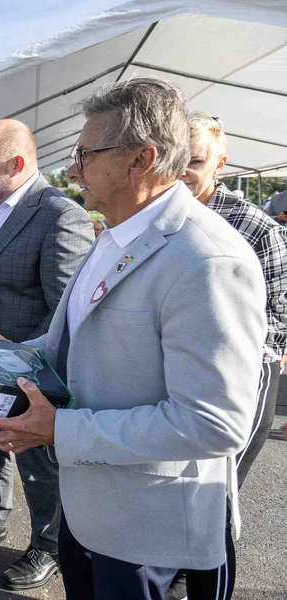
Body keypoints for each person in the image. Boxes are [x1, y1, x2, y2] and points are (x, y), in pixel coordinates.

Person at [0, 78, 266, 600]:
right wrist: (6, 360)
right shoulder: (113, 233)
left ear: (142, 160)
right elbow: (74, 343)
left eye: (86, 154)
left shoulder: (207, 260)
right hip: (92, 517)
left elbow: (214, 424)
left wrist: (62, 429)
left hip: (151, 537)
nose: (72, 168)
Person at [0, 119, 93, 590]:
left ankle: (50, 545)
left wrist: (21, 355)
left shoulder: (58, 215)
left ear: (17, 163)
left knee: (39, 462)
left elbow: (69, 310)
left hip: (28, 369)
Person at [159, 112, 287, 600]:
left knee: (216, 494)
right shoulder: (162, 218)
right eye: (177, 159)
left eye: (194, 161)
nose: (183, 172)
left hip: (240, 382)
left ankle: (200, 578)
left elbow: (278, 320)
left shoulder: (254, 227)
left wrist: (225, 361)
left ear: (221, 163)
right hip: (175, 375)